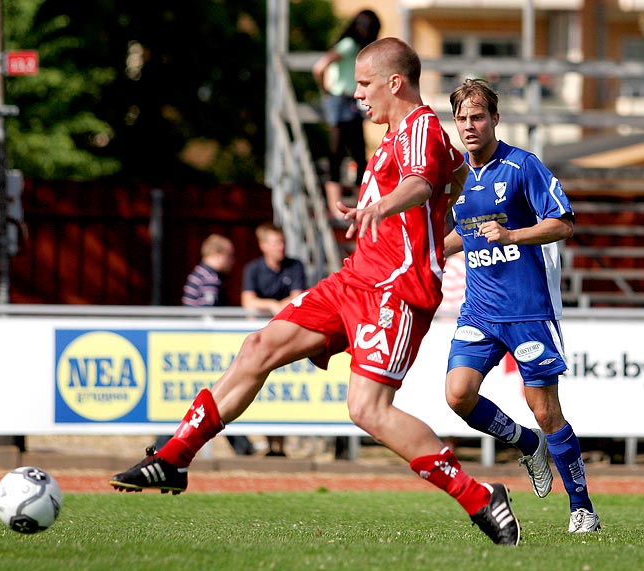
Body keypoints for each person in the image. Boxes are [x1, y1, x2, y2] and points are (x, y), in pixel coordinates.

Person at [110, 38, 520, 546]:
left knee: (368, 410)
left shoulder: (419, 126)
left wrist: (389, 208)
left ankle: (480, 498)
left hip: (395, 288)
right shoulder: (401, 136)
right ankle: (174, 458)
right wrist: (432, 215)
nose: (357, 95)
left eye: (365, 84)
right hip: (354, 280)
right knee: (257, 347)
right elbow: (453, 174)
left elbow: (419, 183)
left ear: (395, 82)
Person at [444, 78, 600, 533]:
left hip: (528, 308)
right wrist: (437, 249)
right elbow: (466, 232)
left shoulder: (522, 165)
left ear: (494, 118)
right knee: (457, 394)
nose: (469, 126)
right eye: (461, 119)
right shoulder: (456, 178)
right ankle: (528, 444)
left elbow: (563, 223)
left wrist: (512, 234)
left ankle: (582, 508)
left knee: (546, 409)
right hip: (479, 309)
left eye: (477, 117)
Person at [177, 234, 255, 456]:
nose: (232, 262)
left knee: (212, 397)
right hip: (203, 345)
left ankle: (241, 445)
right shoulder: (210, 278)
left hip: (197, 343)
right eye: (230, 256)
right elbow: (209, 315)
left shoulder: (201, 274)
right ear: (218, 255)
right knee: (218, 396)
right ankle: (241, 445)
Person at [241, 222, 306, 456]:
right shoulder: (253, 269)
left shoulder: (295, 266)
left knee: (282, 388)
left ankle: (280, 445)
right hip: (261, 340)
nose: (281, 247)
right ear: (263, 246)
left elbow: (298, 299)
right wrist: (274, 305)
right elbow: (248, 302)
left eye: (282, 242)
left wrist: (273, 307)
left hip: (286, 337)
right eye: (276, 242)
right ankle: (270, 444)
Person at [312, 9, 381, 220]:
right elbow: (320, 66)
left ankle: (353, 201)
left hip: (347, 100)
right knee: (343, 153)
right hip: (341, 99)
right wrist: (326, 91)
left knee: (353, 153)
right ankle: (337, 205)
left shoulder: (351, 45)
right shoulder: (350, 44)